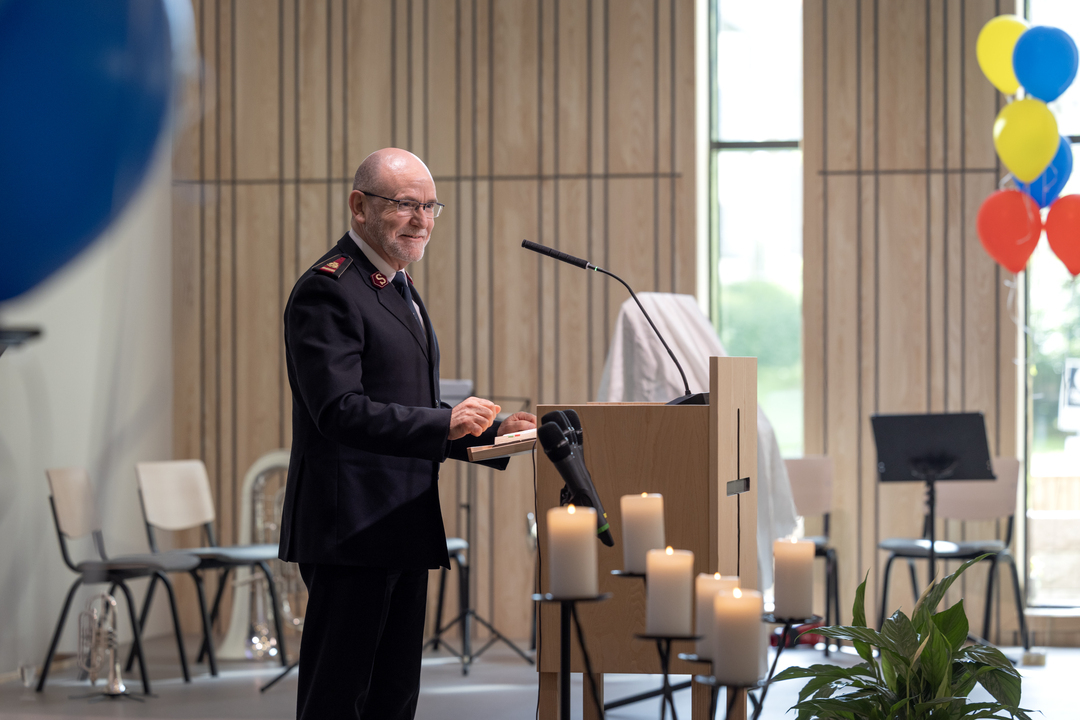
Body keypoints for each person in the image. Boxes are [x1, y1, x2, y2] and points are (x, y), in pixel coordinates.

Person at [279, 147, 536, 720]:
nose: (422, 219)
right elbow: (339, 410)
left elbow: (408, 407)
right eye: (405, 205)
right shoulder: (328, 289)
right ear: (359, 206)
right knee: (338, 699)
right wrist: (447, 420)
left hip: (401, 521)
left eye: (430, 206)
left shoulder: (397, 286)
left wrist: (494, 434)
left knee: (393, 699)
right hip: (352, 527)